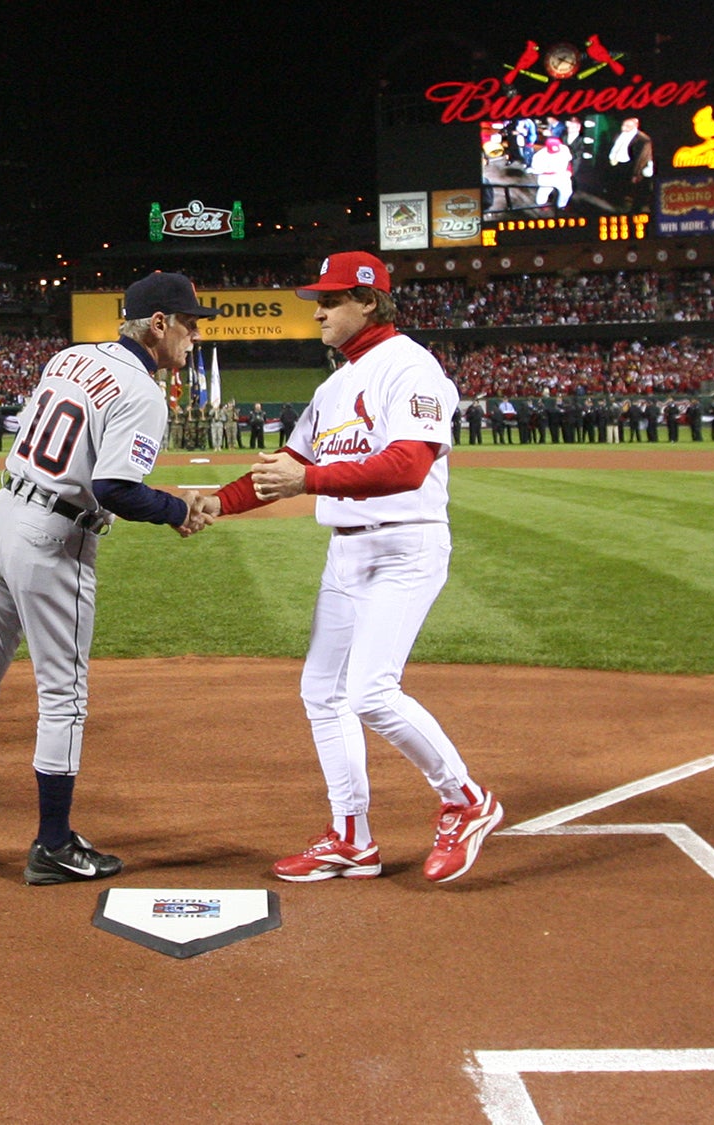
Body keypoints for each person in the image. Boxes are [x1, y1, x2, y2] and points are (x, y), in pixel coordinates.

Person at [191, 252, 501, 884]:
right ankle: (352, 837)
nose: (319, 312)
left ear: (369, 302)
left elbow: (408, 465)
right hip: (348, 551)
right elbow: (284, 468)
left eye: (330, 301)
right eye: (317, 301)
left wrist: (310, 479)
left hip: (404, 545)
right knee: (322, 693)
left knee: (370, 692)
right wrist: (213, 504)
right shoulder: (333, 386)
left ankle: (466, 800)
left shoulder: (410, 367)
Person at [0, 271, 217, 886]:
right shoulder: (146, 392)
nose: (194, 336)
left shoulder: (70, 355)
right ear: (158, 323)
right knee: (64, 695)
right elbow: (113, 490)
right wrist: (178, 509)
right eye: (189, 324)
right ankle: (52, 843)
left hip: (0, 517)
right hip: (52, 536)